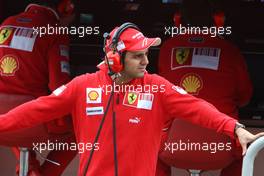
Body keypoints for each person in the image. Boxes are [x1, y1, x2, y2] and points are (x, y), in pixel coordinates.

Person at [0, 22, 263, 176]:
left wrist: (235, 128)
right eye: (138, 55)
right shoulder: (82, 86)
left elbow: (198, 108)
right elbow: (35, 110)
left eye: (147, 54)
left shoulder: (157, 87)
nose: (146, 61)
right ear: (115, 58)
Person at [157, 0, 253, 175]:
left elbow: (159, 96)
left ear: (177, 20)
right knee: (244, 148)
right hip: (221, 147)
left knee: (151, 146)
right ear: (218, 21)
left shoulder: (166, 48)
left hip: (173, 145)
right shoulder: (230, 51)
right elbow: (245, 98)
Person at [0, 0, 76, 175]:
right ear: (65, 8)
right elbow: (58, 87)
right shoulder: (55, 30)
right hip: (33, 119)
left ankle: (29, 169)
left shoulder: (6, 24)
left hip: (4, 119)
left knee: (14, 120)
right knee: (81, 128)